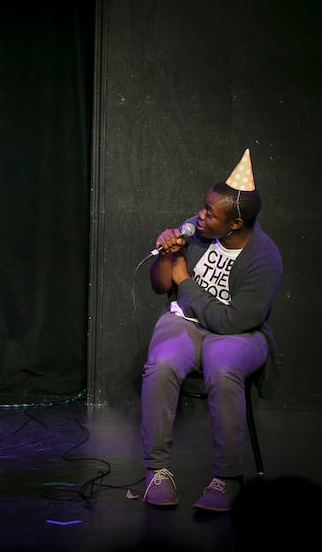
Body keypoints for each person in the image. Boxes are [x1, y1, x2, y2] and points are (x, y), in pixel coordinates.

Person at [140, 149, 283, 513]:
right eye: (203, 207)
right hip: (185, 322)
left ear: (234, 224)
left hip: (240, 334)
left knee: (222, 367)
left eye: (210, 213)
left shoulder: (265, 258)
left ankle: (228, 478)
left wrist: (185, 282)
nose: (200, 216)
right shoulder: (198, 233)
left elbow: (234, 321)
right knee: (163, 363)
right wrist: (165, 256)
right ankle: (156, 471)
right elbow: (161, 285)